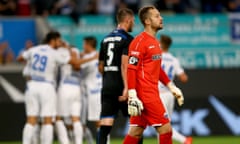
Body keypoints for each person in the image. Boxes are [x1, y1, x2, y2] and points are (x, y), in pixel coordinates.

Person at [123, 6, 184, 144]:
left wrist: (171, 86)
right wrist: (132, 95)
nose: (161, 18)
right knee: (166, 130)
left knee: (135, 132)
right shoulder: (139, 42)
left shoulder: (155, 43)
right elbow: (131, 69)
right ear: (147, 21)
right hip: (146, 95)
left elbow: (158, 69)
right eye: (157, 16)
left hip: (149, 93)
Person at [17, 31, 79, 144]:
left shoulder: (34, 49)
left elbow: (20, 58)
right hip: (46, 86)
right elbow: (75, 62)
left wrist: (30, 62)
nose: (60, 43)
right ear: (53, 40)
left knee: (31, 120)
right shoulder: (54, 53)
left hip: (32, 85)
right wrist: (69, 49)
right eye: (59, 41)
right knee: (48, 119)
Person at [97, 8, 134, 144]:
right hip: (122, 86)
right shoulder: (128, 39)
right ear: (127, 20)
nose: (133, 25)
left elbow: (100, 67)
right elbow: (125, 65)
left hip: (107, 86)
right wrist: (126, 88)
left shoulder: (105, 39)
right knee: (137, 125)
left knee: (105, 124)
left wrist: (108, 76)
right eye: (133, 22)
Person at [55, 41, 98, 144]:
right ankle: (75, 141)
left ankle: (68, 142)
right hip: (76, 88)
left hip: (66, 87)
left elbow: (76, 64)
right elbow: (77, 62)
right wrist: (92, 57)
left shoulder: (63, 53)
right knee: (74, 120)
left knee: (60, 118)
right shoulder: (76, 55)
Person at [159, 35, 192, 144]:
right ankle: (184, 140)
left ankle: (184, 140)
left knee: (161, 126)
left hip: (160, 94)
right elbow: (184, 78)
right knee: (165, 125)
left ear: (162, 44)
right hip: (170, 94)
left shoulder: (156, 57)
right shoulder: (174, 59)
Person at [80, 36, 102, 144]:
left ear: (88, 45)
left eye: (84, 44)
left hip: (92, 92)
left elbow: (77, 65)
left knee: (98, 122)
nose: (83, 46)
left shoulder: (89, 58)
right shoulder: (100, 55)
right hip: (99, 90)